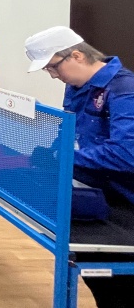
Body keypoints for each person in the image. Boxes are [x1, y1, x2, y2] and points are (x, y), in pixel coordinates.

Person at [25, 26, 134, 308]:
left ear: (76, 55)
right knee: (97, 277)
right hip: (94, 197)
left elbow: (127, 154)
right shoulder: (75, 87)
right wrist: (52, 151)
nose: (53, 75)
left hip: (125, 208)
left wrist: (64, 158)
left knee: (120, 285)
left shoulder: (124, 90)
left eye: (53, 67)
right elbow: (70, 132)